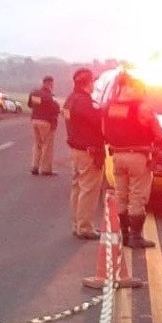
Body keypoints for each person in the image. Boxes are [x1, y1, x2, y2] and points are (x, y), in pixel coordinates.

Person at [102, 72, 162, 248]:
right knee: (137, 197)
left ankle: (124, 234)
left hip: (117, 156)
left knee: (121, 195)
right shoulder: (142, 107)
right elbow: (158, 133)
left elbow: (104, 131)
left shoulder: (110, 106)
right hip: (138, 156)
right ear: (135, 88)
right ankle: (136, 238)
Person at [63, 68, 104, 240]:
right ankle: (85, 227)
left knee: (78, 188)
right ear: (88, 83)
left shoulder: (69, 100)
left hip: (75, 150)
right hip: (88, 152)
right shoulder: (86, 103)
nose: (94, 85)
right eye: (92, 82)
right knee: (88, 190)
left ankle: (77, 223)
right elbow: (100, 122)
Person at [27, 75, 60, 176]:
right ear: (49, 83)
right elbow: (56, 109)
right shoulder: (50, 96)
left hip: (35, 120)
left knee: (37, 144)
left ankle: (34, 166)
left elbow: (30, 105)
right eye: (52, 84)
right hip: (46, 122)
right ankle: (46, 169)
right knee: (47, 146)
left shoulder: (35, 93)